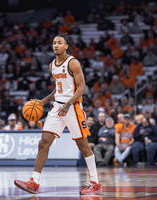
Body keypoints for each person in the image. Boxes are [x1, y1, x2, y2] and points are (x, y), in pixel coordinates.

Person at [14, 34, 102, 195]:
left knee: (83, 145)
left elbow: (81, 87)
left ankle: (95, 182)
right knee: (43, 143)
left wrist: (68, 104)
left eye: (59, 43)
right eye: (54, 42)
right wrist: (43, 101)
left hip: (73, 107)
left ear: (66, 46)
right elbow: (58, 89)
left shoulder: (73, 63)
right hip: (57, 108)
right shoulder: (52, 65)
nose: (55, 45)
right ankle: (34, 181)